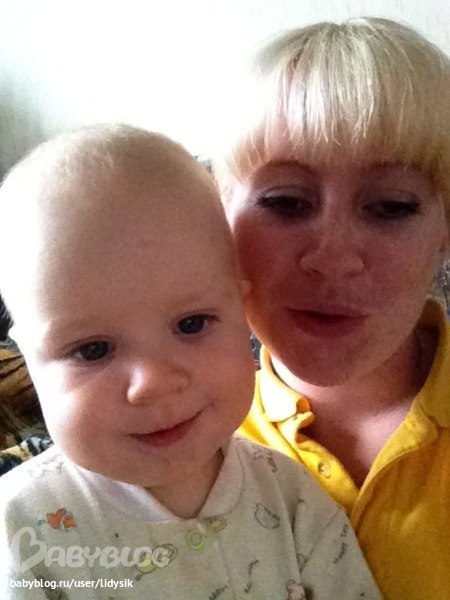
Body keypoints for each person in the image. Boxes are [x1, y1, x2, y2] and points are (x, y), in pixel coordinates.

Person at [0, 125, 380, 599]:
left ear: (242, 312)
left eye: (192, 324)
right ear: (28, 356)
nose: (154, 383)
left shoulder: (291, 497)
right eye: (92, 350)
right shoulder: (22, 527)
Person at [215, 16, 450, 600]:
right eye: (286, 202)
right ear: (220, 219)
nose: (333, 259)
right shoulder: (172, 441)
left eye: (391, 207)